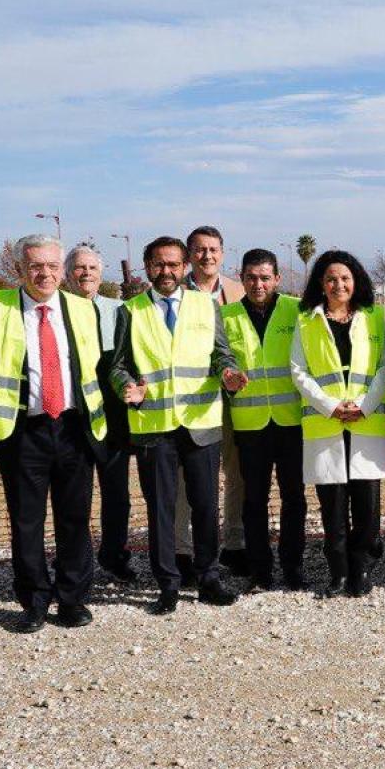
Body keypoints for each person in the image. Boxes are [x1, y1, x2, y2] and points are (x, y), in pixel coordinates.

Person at [0, 235, 109, 633]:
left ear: (62, 270)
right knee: (26, 520)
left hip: (73, 429)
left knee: (75, 518)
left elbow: (92, 368)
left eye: (51, 266)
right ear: (20, 270)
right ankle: (33, 601)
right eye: (35, 266)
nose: (44, 273)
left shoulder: (82, 310)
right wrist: (7, 408)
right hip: (21, 432)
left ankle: (72, 599)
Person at [108, 236, 238, 615]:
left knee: (205, 504)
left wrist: (228, 372)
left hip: (200, 423)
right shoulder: (130, 311)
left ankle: (209, 578)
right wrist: (125, 386)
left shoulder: (205, 305)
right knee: (161, 508)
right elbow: (118, 365)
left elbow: (221, 353)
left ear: (185, 267)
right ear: (148, 267)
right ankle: (167, 584)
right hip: (154, 425)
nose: (167, 271)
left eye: (173, 264)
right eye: (159, 264)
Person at [289, 251, 385, 598]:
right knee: (332, 504)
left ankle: (360, 568)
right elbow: (299, 371)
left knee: (367, 503)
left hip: (365, 420)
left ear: (356, 280)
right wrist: (331, 406)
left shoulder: (375, 316)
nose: (339, 284)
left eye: (345, 278)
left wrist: (364, 405)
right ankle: (338, 570)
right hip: (326, 422)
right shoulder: (306, 320)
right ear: (321, 283)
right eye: (331, 279)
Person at [220, 248, 308, 592]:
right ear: (241, 278)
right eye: (251, 277)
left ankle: (293, 566)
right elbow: (220, 359)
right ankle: (260, 570)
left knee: (294, 497)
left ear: (277, 279)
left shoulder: (296, 310)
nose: (258, 284)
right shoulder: (226, 316)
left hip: (290, 422)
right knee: (253, 500)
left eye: (265, 277)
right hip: (250, 424)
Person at [173, 225, 248, 583]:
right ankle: (183, 549)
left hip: (235, 396)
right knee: (188, 480)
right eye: (200, 250)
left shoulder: (239, 291)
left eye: (214, 249)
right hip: (194, 403)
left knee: (237, 472)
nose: (207, 256)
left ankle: (234, 543)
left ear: (223, 252)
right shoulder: (174, 292)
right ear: (190, 255)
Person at [65, 244, 137, 583]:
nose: (86, 274)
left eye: (92, 268)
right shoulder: (58, 311)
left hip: (112, 416)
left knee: (117, 493)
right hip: (73, 416)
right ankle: (73, 561)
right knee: (73, 496)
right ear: (68, 274)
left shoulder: (119, 310)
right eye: (79, 268)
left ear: (101, 273)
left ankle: (114, 555)